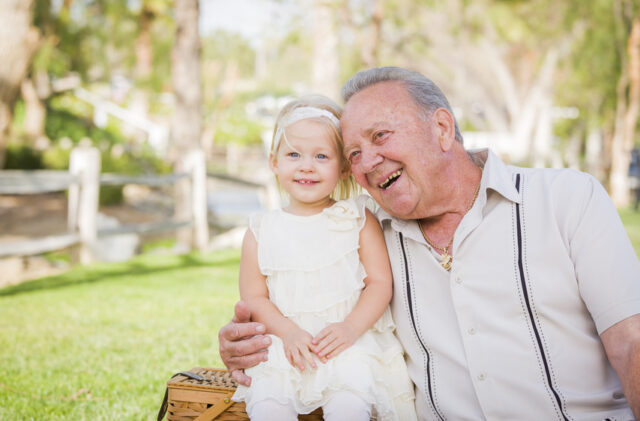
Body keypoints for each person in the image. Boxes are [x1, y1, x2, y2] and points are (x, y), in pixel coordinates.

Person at [219, 67, 640, 420]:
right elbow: (283, 291)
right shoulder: (361, 232)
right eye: (354, 154)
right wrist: (243, 342)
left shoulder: (566, 198)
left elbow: (631, 342)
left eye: (380, 136)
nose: (366, 164)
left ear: (441, 128)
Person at [230, 95, 417, 421]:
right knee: (268, 405)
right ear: (274, 162)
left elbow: (380, 283)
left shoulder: (355, 219)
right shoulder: (261, 229)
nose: (306, 165)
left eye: (321, 156)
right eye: (293, 155)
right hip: (286, 344)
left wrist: (350, 328)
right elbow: (255, 297)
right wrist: (286, 332)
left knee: (349, 404)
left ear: (343, 167)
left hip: (346, 342)